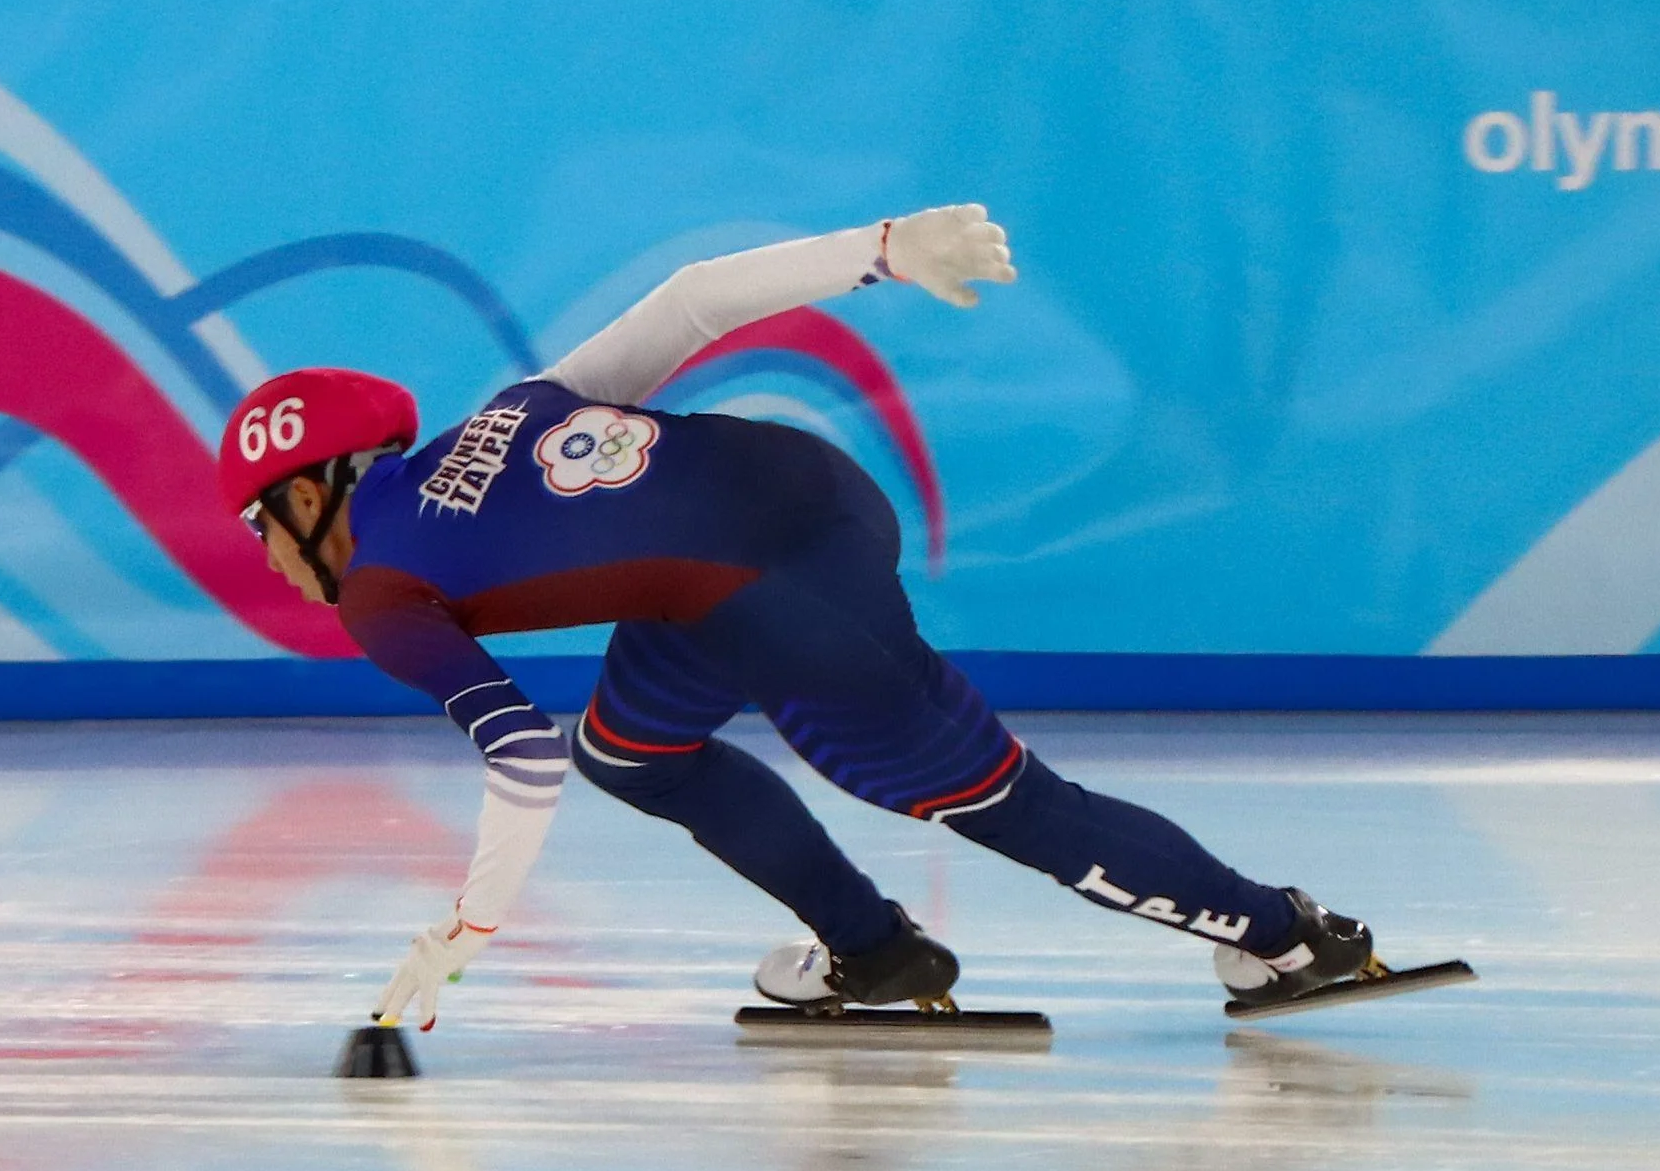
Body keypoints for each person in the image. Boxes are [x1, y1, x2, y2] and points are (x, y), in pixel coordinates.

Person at [214, 207, 1377, 1033]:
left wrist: (468, 932)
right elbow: (688, 302)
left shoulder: (378, 593)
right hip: (794, 501)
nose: (266, 557)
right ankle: (872, 951)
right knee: (633, 752)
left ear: (312, 496)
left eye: (263, 523)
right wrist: (882, 248)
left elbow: (517, 752)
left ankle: (1283, 936)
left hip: (787, 589)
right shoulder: (507, 415)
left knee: (1000, 803)